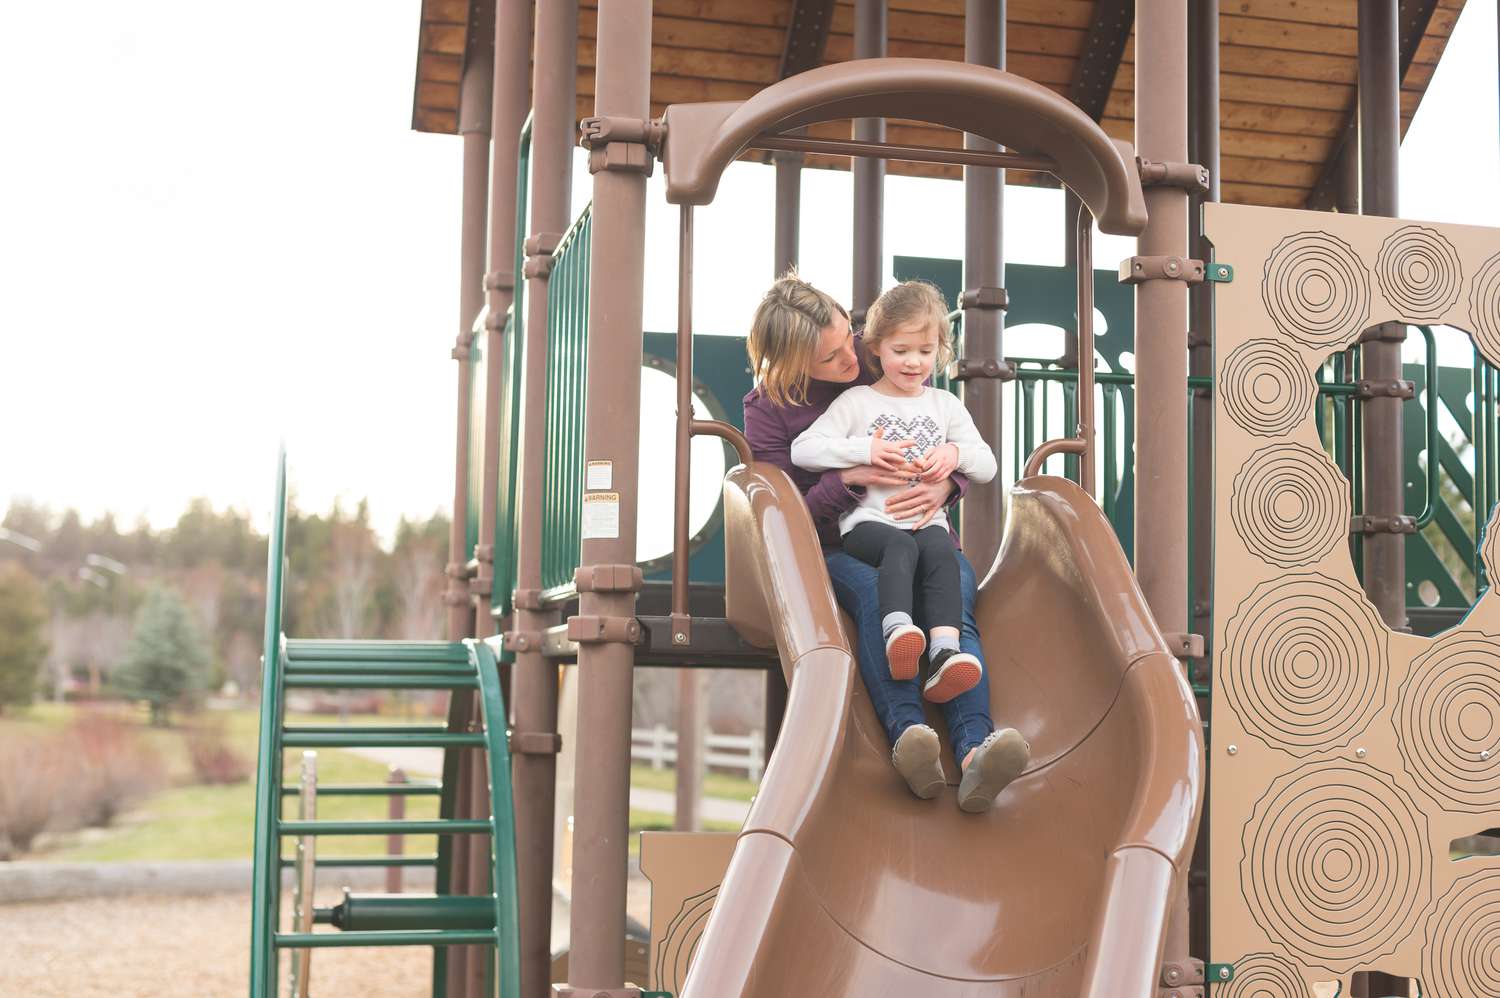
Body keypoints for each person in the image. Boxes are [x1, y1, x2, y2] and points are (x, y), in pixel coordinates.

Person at [742, 272, 1029, 814]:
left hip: (924, 529)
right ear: (792, 361)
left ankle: (973, 750)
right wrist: (849, 478)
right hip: (841, 543)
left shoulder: (884, 356)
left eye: (845, 340)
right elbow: (787, 514)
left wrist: (949, 482)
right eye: (827, 359)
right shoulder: (771, 409)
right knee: (879, 592)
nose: (848, 360)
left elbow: (946, 437)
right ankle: (909, 734)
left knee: (954, 600)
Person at [791, 280, 994, 703]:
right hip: (869, 523)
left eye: (925, 351)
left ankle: (942, 652)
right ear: (876, 348)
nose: (914, 362)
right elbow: (803, 450)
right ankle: (898, 632)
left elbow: (987, 464)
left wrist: (954, 455)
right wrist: (863, 451)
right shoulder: (857, 402)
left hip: (927, 521)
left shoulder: (945, 405)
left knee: (941, 555)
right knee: (900, 548)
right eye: (901, 351)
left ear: (940, 349)